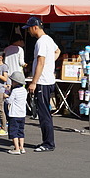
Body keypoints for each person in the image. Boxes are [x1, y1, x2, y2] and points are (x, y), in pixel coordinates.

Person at [24, 16, 60, 152]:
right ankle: (47, 141)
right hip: (48, 80)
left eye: (29, 29)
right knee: (45, 112)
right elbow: (58, 51)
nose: (28, 32)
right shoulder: (49, 40)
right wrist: (51, 62)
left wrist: (34, 82)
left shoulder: (41, 42)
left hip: (43, 82)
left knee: (44, 113)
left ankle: (48, 143)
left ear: (35, 27)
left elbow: (40, 62)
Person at [5, 70, 27, 155]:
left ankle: (16, 148)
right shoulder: (24, 91)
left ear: (15, 82)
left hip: (14, 114)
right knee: (20, 131)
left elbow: (9, 101)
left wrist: (6, 97)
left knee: (13, 131)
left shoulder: (14, 91)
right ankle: (22, 147)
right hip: (22, 114)